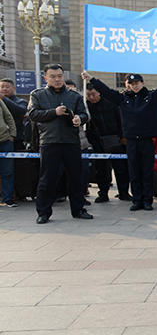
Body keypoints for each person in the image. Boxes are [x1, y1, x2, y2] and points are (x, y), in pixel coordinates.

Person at [83, 71, 157, 211]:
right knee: (134, 172)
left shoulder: (152, 96)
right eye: (131, 84)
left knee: (147, 172)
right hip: (131, 141)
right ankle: (137, 200)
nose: (134, 86)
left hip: (147, 140)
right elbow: (106, 91)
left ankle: (147, 200)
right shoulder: (123, 98)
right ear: (127, 85)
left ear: (143, 83)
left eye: (137, 83)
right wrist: (92, 79)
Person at [28, 64, 93, 223]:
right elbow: (32, 113)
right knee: (47, 179)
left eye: (59, 76)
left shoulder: (74, 96)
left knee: (76, 178)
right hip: (49, 142)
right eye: (53, 76)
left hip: (71, 142)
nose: (57, 79)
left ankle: (78, 209)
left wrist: (79, 119)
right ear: (46, 78)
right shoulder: (38, 95)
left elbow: (85, 114)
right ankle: (43, 212)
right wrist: (54, 112)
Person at [85, 86, 130, 203]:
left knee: (120, 168)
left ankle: (123, 192)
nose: (91, 97)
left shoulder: (110, 103)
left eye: (93, 94)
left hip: (115, 139)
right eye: (88, 95)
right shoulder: (86, 106)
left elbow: (120, 120)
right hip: (97, 141)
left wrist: (123, 137)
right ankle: (103, 193)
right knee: (101, 169)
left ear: (99, 93)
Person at [0, 78, 35, 202]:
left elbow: (20, 111)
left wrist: (3, 99)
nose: (4, 89)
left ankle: (17, 194)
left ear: (13, 88)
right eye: (2, 86)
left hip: (15, 140)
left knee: (14, 170)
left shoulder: (20, 101)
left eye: (7, 86)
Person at [0, 99, 16, 207]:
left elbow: (8, 117)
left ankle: (8, 199)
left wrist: (12, 134)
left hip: (5, 140)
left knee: (7, 171)